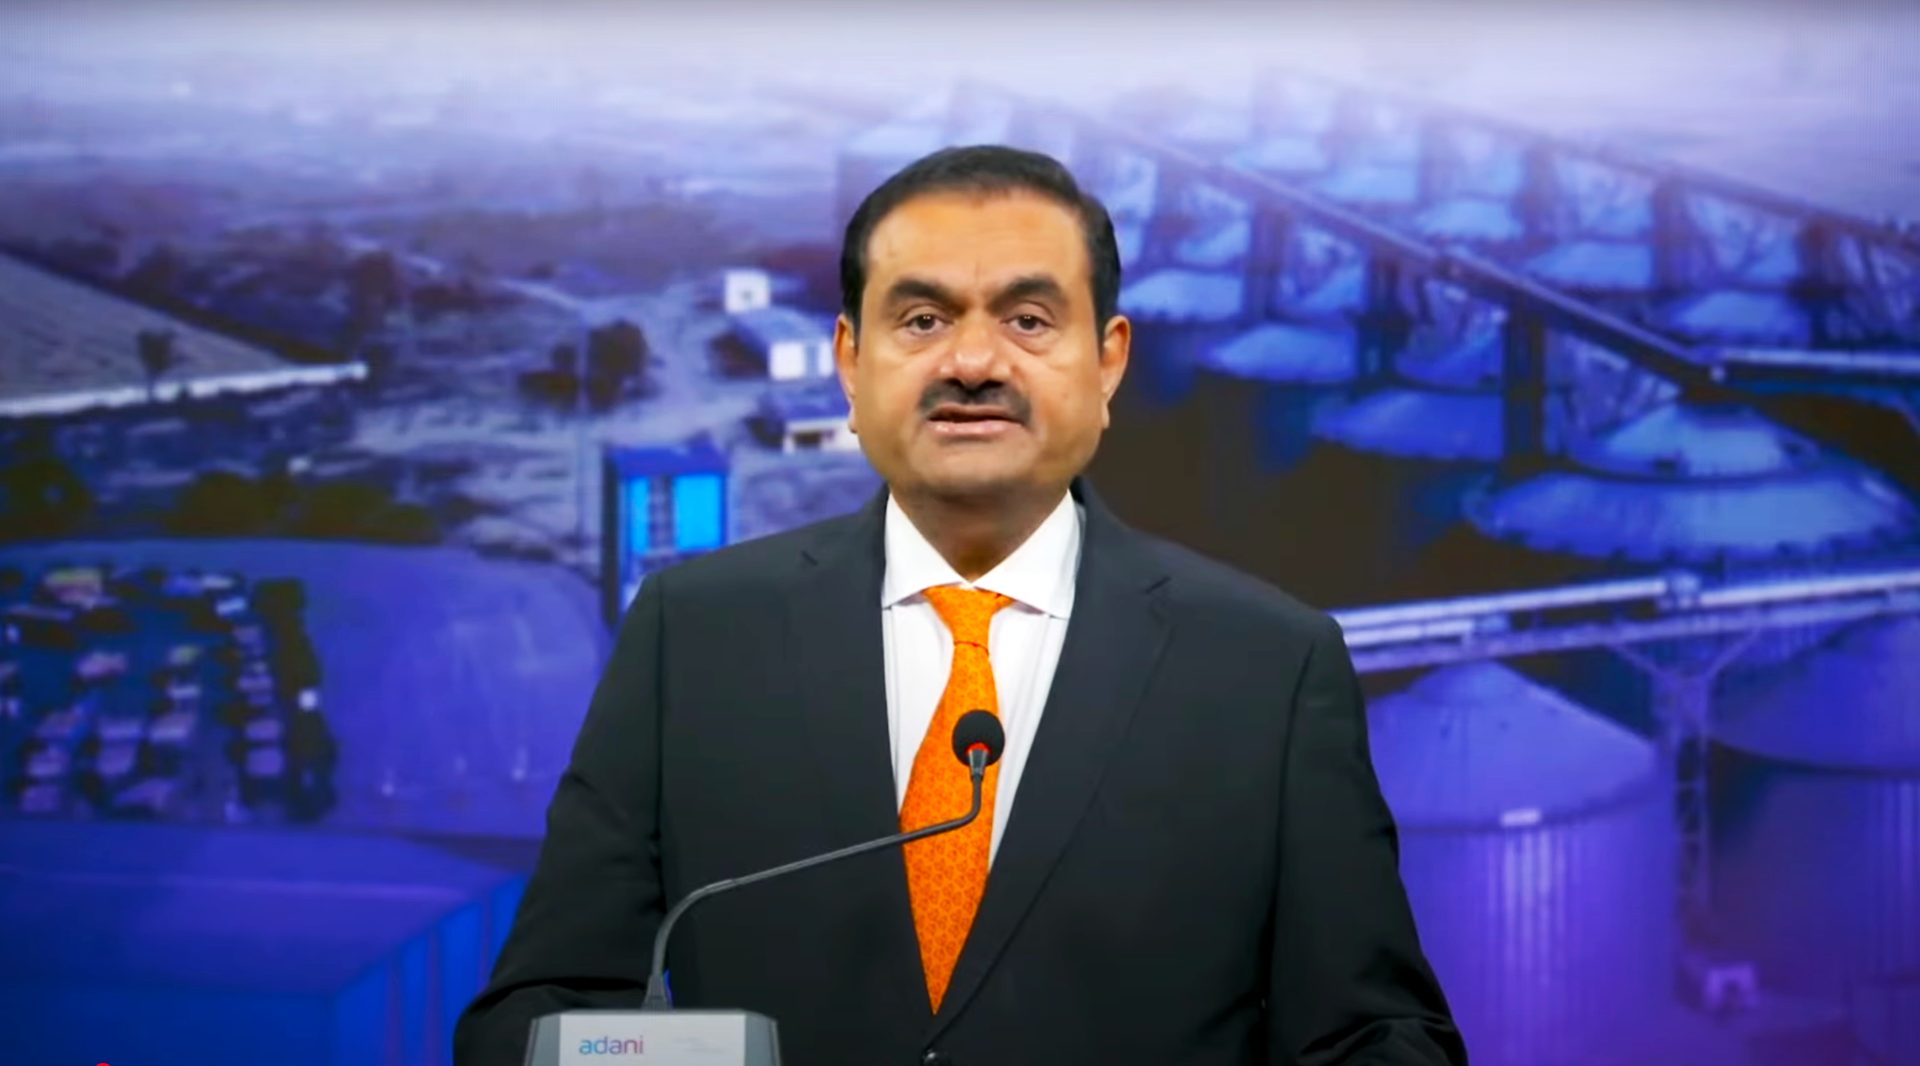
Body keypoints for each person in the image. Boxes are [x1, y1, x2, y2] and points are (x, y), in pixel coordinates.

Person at [455, 145, 1464, 1066]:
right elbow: (536, 1013)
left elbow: (1377, 1037)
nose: (973, 364)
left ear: (1108, 361)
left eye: (1029, 320)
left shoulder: (1267, 666)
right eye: (923, 319)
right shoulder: (697, 635)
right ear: (850, 362)